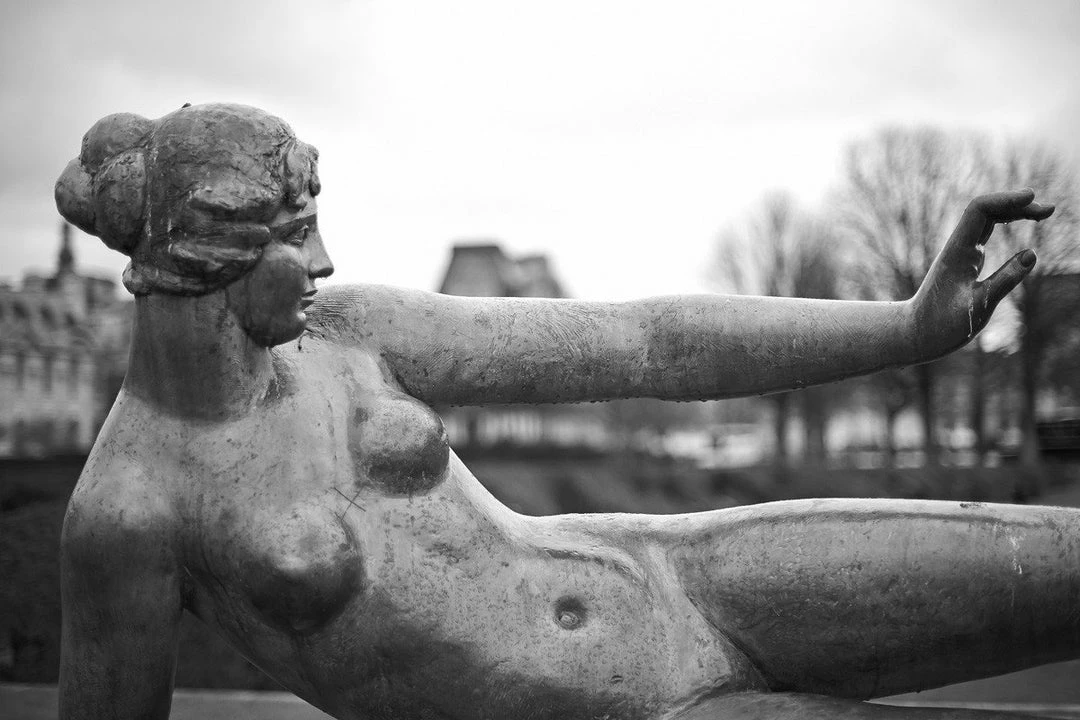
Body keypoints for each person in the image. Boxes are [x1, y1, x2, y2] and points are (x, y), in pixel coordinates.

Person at [54, 103, 1079, 720]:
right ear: (206, 254)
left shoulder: (348, 332)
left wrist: (908, 328)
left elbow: (646, 343)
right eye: (296, 235)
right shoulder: (130, 509)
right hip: (617, 708)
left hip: (677, 573)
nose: (323, 260)